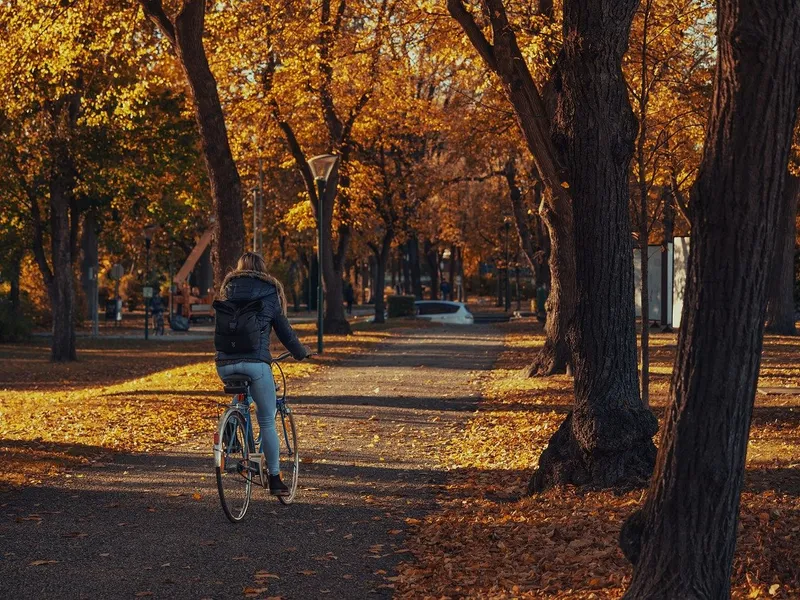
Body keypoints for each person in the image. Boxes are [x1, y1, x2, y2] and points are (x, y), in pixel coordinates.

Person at [215, 252, 311, 496]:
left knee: (240, 395)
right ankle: (275, 478)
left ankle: (232, 423)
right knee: (267, 419)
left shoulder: (226, 290)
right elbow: (284, 332)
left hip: (224, 364)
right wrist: (301, 353)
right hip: (256, 364)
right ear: (262, 269)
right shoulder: (270, 291)